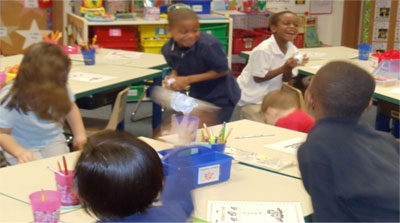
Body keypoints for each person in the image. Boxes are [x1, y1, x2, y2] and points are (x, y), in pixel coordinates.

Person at [298, 61, 400, 222]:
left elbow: (328, 216)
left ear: (310, 98)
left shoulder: (316, 149)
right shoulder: (386, 140)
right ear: (369, 105)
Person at [75, 130, 194, 222]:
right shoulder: (172, 215)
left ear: (81, 194)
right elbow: (183, 201)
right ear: (161, 182)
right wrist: (181, 152)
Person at [0, 42, 86, 165]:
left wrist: (79, 134)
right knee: (35, 176)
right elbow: (2, 133)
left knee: (62, 169)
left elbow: (71, 108)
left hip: (53, 138)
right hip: (21, 145)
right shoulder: (12, 95)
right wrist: (19, 152)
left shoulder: (59, 83)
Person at [161, 8, 241, 124]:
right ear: (170, 30)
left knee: (213, 130)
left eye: (195, 30)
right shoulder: (167, 50)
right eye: (184, 32)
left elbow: (222, 70)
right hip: (198, 93)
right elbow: (177, 68)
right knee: (196, 128)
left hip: (222, 95)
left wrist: (187, 80)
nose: (191, 36)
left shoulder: (208, 45)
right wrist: (174, 78)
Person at [237, 11, 309, 122]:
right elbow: (258, 78)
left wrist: (289, 68)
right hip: (251, 99)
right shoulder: (264, 50)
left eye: (295, 25)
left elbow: (286, 79)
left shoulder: (293, 50)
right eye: (286, 23)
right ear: (274, 28)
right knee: (258, 131)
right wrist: (284, 68)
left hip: (269, 100)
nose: (292, 27)